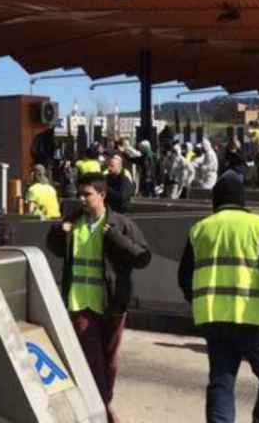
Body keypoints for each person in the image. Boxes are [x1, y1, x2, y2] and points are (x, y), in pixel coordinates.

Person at [177, 177, 259, 423]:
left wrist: (198, 303)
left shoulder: (200, 228)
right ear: (242, 199)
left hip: (213, 318)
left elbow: (184, 277)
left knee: (221, 381)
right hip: (252, 317)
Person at [46, 173, 150, 423]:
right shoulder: (72, 221)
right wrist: (60, 232)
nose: (81, 199)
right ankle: (102, 410)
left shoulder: (120, 223)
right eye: (79, 194)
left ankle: (104, 402)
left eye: (87, 194)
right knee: (92, 359)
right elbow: (55, 248)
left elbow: (142, 258)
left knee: (109, 361)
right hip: (79, 302)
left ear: (101, 195)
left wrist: (114, 237)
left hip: (112, 303)